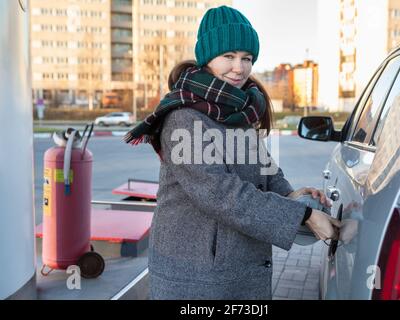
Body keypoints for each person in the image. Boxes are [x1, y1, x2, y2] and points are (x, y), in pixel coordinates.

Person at [124, 5, 340, 300]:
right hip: (196, 275)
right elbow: (220, 194)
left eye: (246, 58)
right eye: (228, 56)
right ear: (207, 58)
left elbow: (265, 168)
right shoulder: (184, 117)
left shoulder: (239, 110)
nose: (239, 67)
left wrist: (291, 195)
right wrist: (301, 216)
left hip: (235, 265)